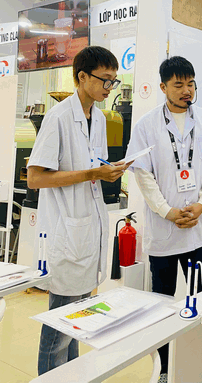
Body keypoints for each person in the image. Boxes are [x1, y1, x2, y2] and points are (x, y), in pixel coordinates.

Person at [127, 56, 202, 383]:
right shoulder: (147, 125)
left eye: (191, 84)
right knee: (162, 305)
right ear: (163, 87)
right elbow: (143, 175)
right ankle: (164, 369)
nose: (186, 90)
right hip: (164, 231)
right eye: (179, 85)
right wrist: (167, 211)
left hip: (197, 232)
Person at [27, 46, 126, 374]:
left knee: (77, 325)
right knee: (58, 331)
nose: (109, 88)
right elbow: (36, 178)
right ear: (82, 77)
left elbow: (92, 166)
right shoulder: (58, 118)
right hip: (66, 234)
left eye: (113, 81)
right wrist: (91, 173)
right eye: (105, 80)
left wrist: (107, 171)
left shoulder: (99, 119)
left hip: (86, 230)